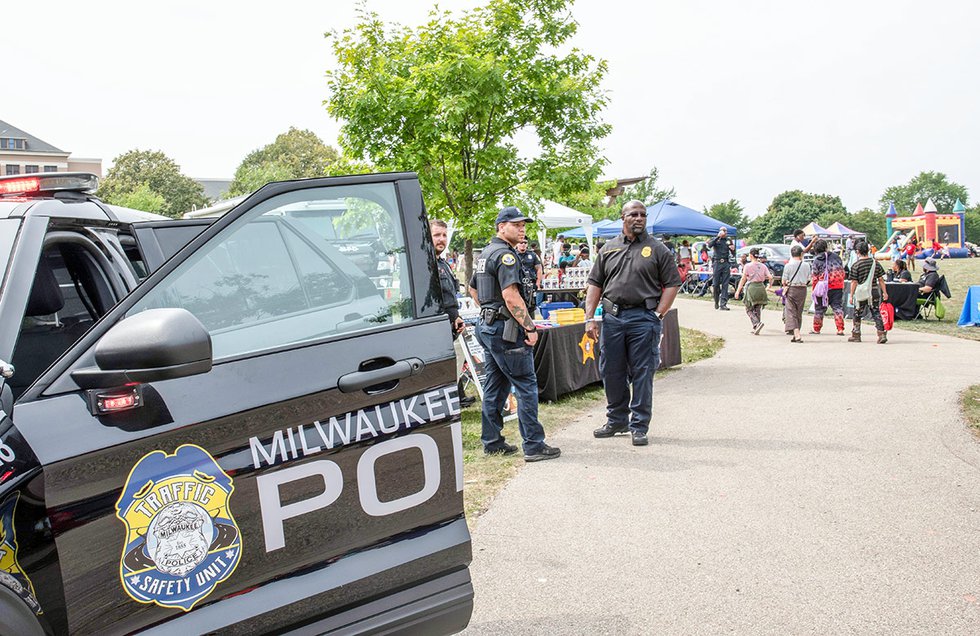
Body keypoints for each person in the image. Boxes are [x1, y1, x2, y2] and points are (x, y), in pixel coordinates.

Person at [584, 200, 681, 447]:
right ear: (623, 217)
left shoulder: (657, 249)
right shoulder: (608, 248)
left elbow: (672, 284)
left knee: (642, 372)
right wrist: (589, 319)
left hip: (643, 319)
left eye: (642, 215)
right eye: (633, 214)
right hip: (613, 318)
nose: (639, 218)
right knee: (611, 371)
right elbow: (595, 284)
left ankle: (639, 425)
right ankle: (617, 420)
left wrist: (658, 314)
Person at [468, 206, 560, 461]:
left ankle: (492, 441)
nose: (522, 229)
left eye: (523, 225)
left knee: (496, 386)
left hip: (488, 328)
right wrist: (529, 326)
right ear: (501, 226)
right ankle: (534, 444)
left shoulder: (486, 253)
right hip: (506, 331)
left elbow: (472, 289)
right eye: (517, 225)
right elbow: (511, 295)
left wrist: (489, 311)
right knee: (526, 385)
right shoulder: (505, 255)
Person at [430, 220, 476, 408]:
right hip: (436, 328)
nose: (442, 239)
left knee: (453, 363)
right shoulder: (426, 264)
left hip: (450, 324)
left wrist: (455, 316)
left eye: (444, 235)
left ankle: (456, 397)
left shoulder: (443, 262)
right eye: (437, 235)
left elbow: (449, 296)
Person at [847, 240, 889, 344]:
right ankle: (881, 333)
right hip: (874, 291)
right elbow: (881, 280)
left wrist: (851, 295)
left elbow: (854, 282)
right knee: (876, 312)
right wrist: (885, 292)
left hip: (861, 293)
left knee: (857, 313)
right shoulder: (875, 263)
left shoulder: (856, 265)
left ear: (857, 252)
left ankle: (856, 334)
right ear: (868, 250)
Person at [810, 239, 847, 335]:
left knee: (819, 309)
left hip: (823, 288)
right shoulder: (836, 257)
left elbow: (815, 276)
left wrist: (814, 289)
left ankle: (816, 328)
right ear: (826, 247)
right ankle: (840, 328)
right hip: (837, 286)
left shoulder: (817, 260)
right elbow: (842, 270)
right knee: (837, 307)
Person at [734, 247, 773, 335]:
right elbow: (770, 277)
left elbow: (743, 279)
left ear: (750, 255)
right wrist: (769, 285)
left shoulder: (748, 266)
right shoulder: (763, 266)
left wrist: (738, 291)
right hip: (761, 287)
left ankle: (756, 323)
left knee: (749, 308)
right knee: (758, 307)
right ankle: (756, 327)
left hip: (751, 287)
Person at [779, 245, 811, 342]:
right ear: (801, 254)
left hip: (792, 288)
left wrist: (786, 284)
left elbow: (784, 281)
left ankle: (796, 333)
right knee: (798, 312)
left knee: (791, 311)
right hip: (802, 289)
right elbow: (808, 279)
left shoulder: (788, 266)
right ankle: (796, 332)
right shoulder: (807, 265)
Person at [706, 226, 736, 310]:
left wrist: (733, 250)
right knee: (715, 284)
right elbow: (709, 245)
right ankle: (716, 301)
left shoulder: (728, 240)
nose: (724, 232)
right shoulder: (715, 239)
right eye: (722, 231)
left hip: (726, 262)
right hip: (717, 263)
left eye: (725, 231)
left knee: (725, 284)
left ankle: (723, 304)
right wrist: (718, 236)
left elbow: (733, 253)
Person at [516, 237, 543, 316]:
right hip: (518, 284)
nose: (523, 245)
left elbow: (539, 269)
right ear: (517, 244)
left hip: (530, 285)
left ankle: (531, 325)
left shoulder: (532, 254)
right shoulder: (512, 254)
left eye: (525, 243)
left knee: (530, 307)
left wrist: (538, 283)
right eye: (521, 243)